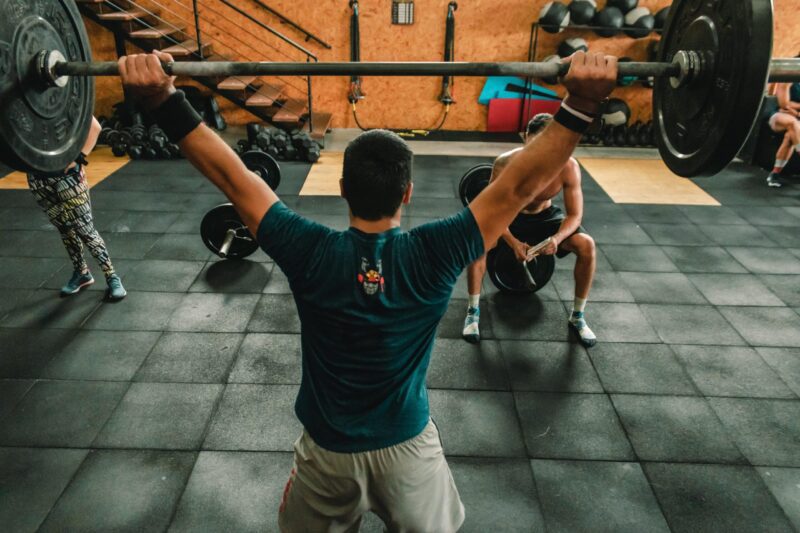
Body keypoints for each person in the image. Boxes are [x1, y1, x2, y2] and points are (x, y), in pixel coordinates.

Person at [118, 50, 617, 532]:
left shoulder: (307, 250)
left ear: (342, 189)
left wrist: (163, 99)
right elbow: (516, 189)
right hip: (409, 452)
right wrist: (580, 106)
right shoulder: (436, 251)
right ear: (408, 192)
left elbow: (234, 176)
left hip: (328, 455)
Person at [462, 113, 597, 348]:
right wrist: (512, 241)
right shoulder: (505, 162)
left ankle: (578, 316)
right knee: (479, 242)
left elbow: (575, 215)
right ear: (525, 138)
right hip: (509, 216)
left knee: (586, 245)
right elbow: (491, 209)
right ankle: (473, 312)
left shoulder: (568, 166)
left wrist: (556, 239)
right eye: (535, 145)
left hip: (546, 219)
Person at [27, 117, 126, 300]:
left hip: (68, 177)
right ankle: (82, 273)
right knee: (64, 228)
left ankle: (112, 276)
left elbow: (94, 127)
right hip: (38, 179)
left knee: (85, 229)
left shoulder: (63, 98)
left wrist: (78, 158)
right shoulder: (21, 105)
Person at [766, 73, 800, 188]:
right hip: (780, 116)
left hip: (796, 117)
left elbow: (789, 105)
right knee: (793, 123)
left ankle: (775, 174)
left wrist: (796, 110)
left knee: (790, 137)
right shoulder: (789, 75)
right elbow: (784, 104)